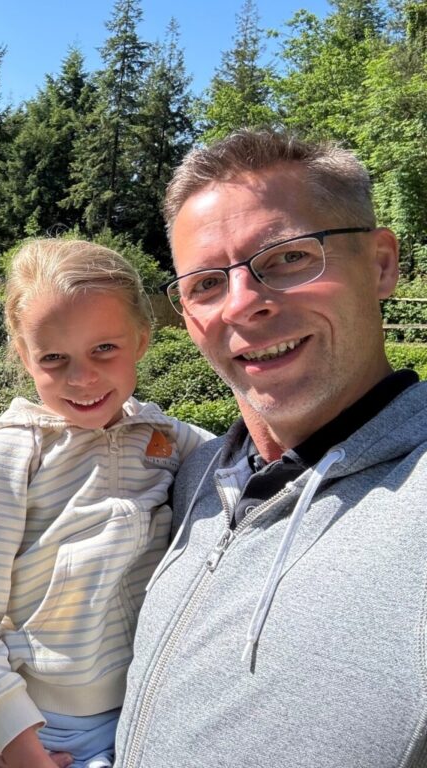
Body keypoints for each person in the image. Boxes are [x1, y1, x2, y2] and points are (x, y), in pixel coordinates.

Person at [114, 129, 427, 767]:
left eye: (287, 257)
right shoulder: (192, 476)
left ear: (381, 263)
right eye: (205, 284)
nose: (243, 305)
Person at [0, 240, 212, 768]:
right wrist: (18, 741)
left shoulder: (170, 440)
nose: (82, 378)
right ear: (24, 356)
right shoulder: (13, 452)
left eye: (104, 349)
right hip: (52, 733)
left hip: (151, 712)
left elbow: (262, 461)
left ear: (141, 340)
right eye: (54, 358)